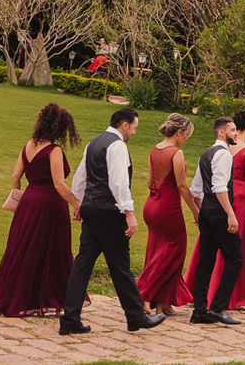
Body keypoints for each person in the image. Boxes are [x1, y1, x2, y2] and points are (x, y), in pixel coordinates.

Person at [60, 109, 164, 335]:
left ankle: (69, 318)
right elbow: (118, 183)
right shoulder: (117, 146)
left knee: (82, 264)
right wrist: (129, 212)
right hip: (109, 211)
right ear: (124, 125)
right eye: (134, 128)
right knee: (120, 267)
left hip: (91, 209)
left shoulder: (93, 143)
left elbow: (81, 177)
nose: (134, 133)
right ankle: (136, 317)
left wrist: (79, 203)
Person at [0, 103, 85, 317]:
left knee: (24, 250)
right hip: (49, 204)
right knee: (52, 251)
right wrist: (77, 204)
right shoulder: (54, 150)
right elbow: (59, 184)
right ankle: (51, 297)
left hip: (28, 202)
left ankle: (18, 297)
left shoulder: (29, 145)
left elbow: (15, 177)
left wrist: (19, 198)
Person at [184, 110, 245, 311]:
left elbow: (196, 187)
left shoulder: (210, 152)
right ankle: (225, 302)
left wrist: (198, 211)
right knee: (236, 253)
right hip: (235, 199)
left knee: (207, 255)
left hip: (210, 203)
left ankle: (199, 302)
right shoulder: (244, 152)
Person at [136, 114, 197, 316]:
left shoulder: (155, 149)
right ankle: (143, 296)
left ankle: (163, 302)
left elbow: (148, 183)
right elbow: (181, 186)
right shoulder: (175, 153)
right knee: (174, 252)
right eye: (186, 136)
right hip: (167, 208)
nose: (185, 140)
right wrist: (196, 211)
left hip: (151, 205)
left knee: (157, 252)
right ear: (179, 132)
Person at [189, 118, 243, 326]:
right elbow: (220, 187)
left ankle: (199, 311)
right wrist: (230, 214)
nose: (236, 133)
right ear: (221, 133)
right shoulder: (223, 154)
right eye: (233, 130)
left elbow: (196, 189)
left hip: (207, 211)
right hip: (220, 211)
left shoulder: (206, 154)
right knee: (235, 259)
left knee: (206, 262)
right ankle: (218, 308)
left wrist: (203, 212)